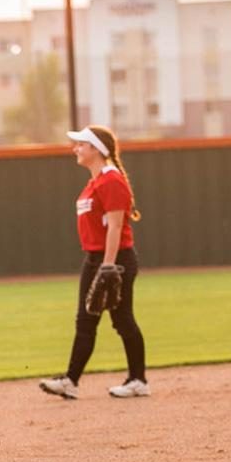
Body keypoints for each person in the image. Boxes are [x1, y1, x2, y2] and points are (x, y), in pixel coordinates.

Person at [39, 125, 149, 400]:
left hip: (115, 259)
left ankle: (138, 380)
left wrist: (109, 266)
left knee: (122, 319)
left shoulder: (111, 180)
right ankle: (71, 381)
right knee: (85, 321)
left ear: (97, 150)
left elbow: (116, 226)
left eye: (81, 145)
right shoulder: (95, 181)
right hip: (96, 259)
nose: (75, 149)